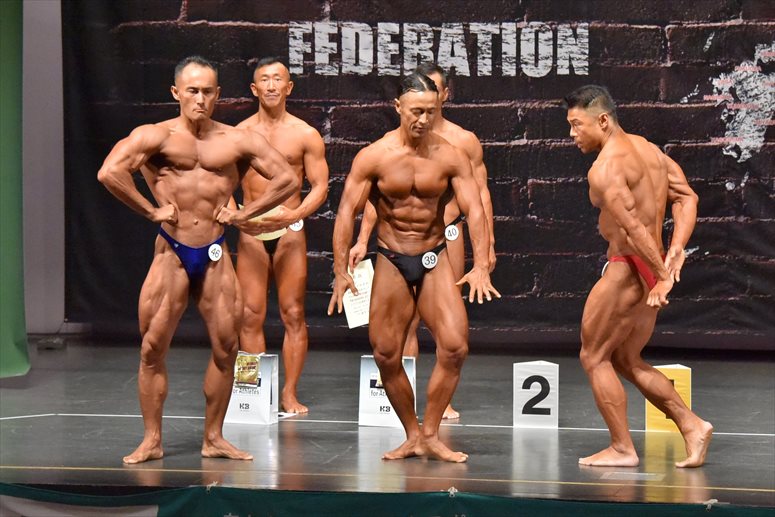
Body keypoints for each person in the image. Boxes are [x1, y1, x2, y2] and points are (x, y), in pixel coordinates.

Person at [97, 56, 299, 464]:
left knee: (227, 348)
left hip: (214, 252)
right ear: (176, 92)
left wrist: (244, 214)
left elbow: (288, 179)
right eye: (192, 90)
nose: (200, 99)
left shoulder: (236, 140)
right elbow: (109, 172)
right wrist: (150, 211)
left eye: (208, 91)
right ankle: (152, 439)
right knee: (152, 348)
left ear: (218, 94)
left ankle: (213, 437)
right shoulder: (155, 136)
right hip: (171, 252)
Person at [328, 72, 500, 463]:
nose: (423, 119)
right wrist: (340, 269)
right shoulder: (374, 156)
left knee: (454, 347)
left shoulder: (451, 155)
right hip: (391, 257)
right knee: (386, 354)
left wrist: (480, 265)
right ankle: (412, 435)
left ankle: (432, 434)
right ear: (398, 108)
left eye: (430, 111)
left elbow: (475, 210)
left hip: (433, 255)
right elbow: (346, 212)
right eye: (416, 111)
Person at [564, 84, 712, 467]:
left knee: (593, 356)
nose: (572, 134)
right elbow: (687, 198)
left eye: (577, 125)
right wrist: (675, 248)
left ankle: (621, 448)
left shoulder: (605, 168)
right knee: (627, 359)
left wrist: (663, 275)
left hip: (628, 267)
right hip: (648, 266)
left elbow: (632, 228)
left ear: (602, 120)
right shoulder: (649, 150)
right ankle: (693, 425)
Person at [234, 57, 329, 414]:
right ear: (254, 88)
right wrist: (237, 216)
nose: (272, 85)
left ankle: (289, 392)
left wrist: (296, 214)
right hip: (251, 233)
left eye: (278, 79)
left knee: (293, 313)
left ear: (289, 87)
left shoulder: (305, 134)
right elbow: (222, 182)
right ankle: (251, 391)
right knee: (249, 315)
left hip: (289, 231)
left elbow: (319, 186)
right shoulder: (240, 134)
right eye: (265, 80)